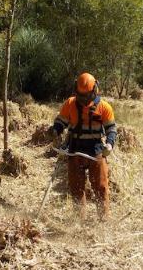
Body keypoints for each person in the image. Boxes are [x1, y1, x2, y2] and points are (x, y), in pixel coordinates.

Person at [48, 72, 117, 220]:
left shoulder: (104, 107)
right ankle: (79, 219)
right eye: (81, 96)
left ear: (95, 90)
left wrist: (110, 145)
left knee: (101, 186)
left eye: (86, 96)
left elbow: (111, 129)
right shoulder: (70, 104)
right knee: (76, 187)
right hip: (75, 149)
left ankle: (103, 218)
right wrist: (56, 131)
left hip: (96, 150)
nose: (84, 100)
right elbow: (61, 122)